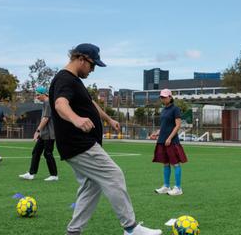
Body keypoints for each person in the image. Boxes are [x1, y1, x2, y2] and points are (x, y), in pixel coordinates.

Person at [49, 43, 162, 235]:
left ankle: (74, 232)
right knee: (114, 175)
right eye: (92, 65)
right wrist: (76, 119)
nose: (92, 70)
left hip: (77, 145)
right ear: (81, 59)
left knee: (92, 186)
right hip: (79, 144)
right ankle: (131, 228)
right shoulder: (65, 79)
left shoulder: (75, 81)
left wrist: (108, 119)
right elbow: (60, 104)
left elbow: (90, 104)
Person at [19, 86, 58, 181]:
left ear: (43, 94)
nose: (37, 97)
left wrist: (37, 131)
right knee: (36, 152)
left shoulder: (48, 102)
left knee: (48, 153)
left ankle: (54, 175)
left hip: (49, 134)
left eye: (37, 95)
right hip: (44, 133)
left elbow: (46, 118)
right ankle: (31, 174)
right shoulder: (46, 103)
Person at [153, 89, 187, 196]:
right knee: (165, 163)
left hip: (171, 141)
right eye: (161, 97)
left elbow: (178, 125)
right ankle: (166, 186)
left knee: (175, 163)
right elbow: (164, 126)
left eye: (164, 97)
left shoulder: (175, 109)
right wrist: (157, 133)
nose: (163, 99)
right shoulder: (164, 110)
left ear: (170, 97)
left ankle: (178, 188)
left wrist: (169, 138)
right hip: (162, 140)